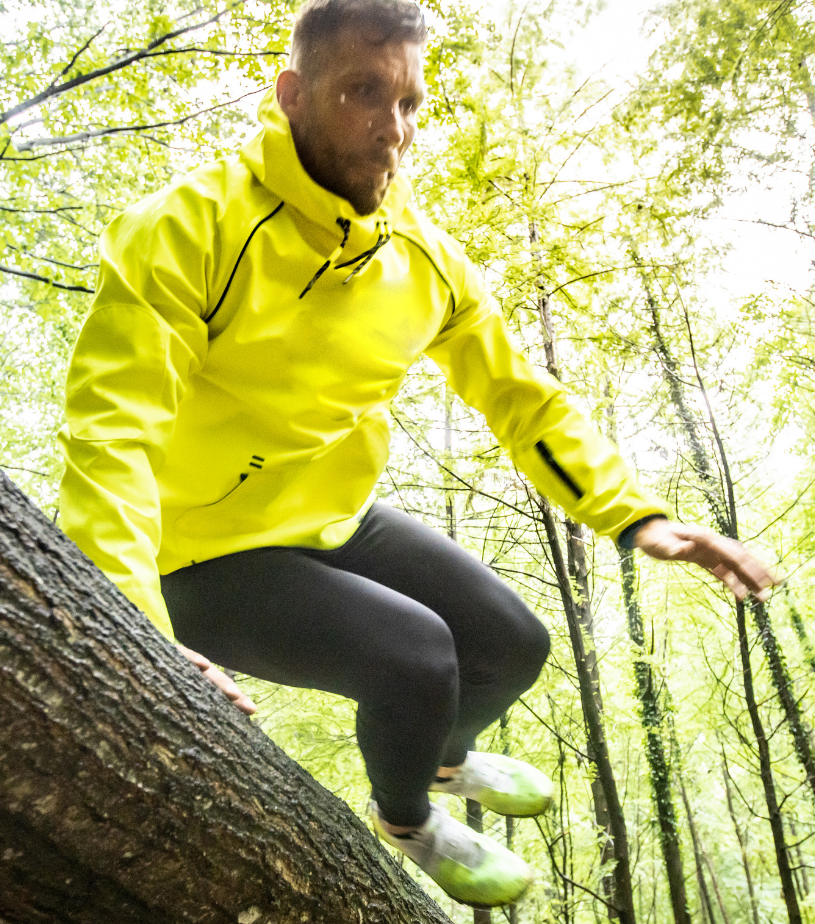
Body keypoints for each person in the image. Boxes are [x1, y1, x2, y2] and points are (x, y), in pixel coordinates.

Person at [57, 0, 778, 908]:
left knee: (512, 643)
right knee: (417, 656)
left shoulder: (424, 260)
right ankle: (408, 819)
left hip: (327, 514)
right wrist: (130, 628)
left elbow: (519, 396)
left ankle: (441, 756)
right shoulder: (188, 227)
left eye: (408, 102)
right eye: (363, 92)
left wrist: (636, 516)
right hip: (193, 551)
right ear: (292, 95)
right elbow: (112, 432)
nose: (392, 128)